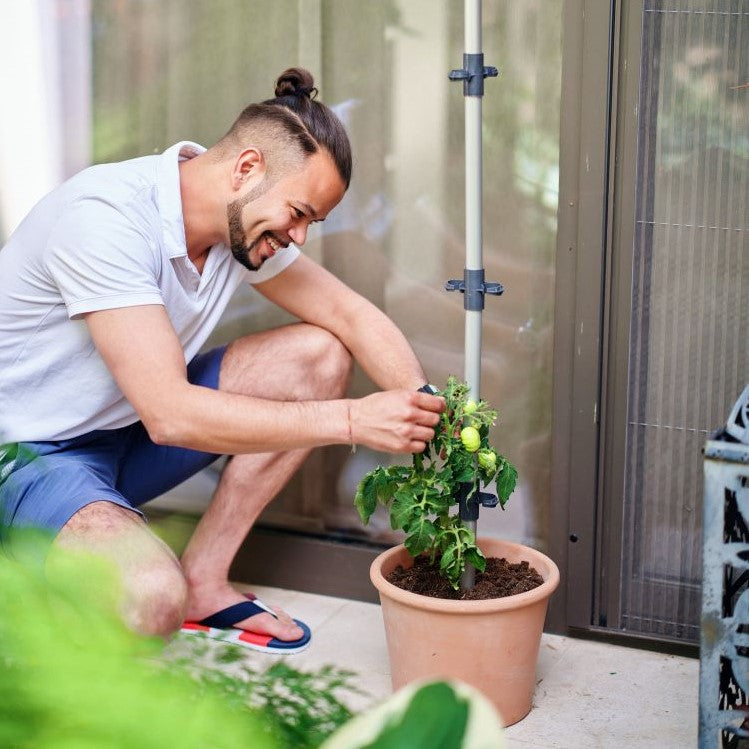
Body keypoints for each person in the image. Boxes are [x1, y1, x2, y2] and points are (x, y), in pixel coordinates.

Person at [0, 67, 444, 651]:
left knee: (319, 356)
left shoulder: (241, 224)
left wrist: (426, 411)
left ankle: (205, 579)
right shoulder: (105, 219)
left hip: (119, 433)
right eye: (300, 213)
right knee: (150, 599)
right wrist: (356, 420)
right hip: (26, 453)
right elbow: (171, 416)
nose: (300, 236)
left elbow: (351, 317)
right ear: (247, 169)